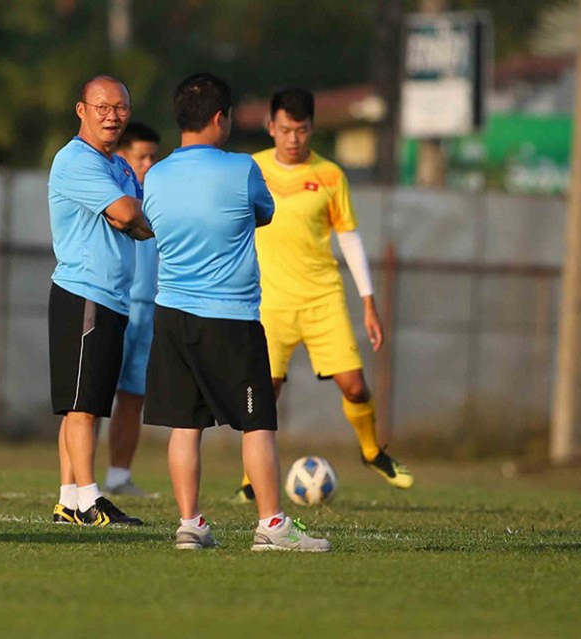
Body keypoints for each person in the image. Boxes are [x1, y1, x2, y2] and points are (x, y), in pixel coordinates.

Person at [143, 72, 330, 552]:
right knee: (257, 423)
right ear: (220, 119)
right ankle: (272, 526)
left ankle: (190, 524)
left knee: (186, 427)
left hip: (171, 316)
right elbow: (263, 212)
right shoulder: (242, 169)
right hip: (230, 317)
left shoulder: (156, 174)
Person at [235, 87, 413, 502]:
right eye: (285, 129)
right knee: (265, 393)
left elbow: (348, 237)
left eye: (301, 130)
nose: (293, 138)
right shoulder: (250, 169)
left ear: (312, 128)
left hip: (322, 298)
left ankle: (372, 451)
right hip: (269, 301)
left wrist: (369, 301)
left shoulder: (331, 174)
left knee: (354, 386)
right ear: (270, 128)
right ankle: (250, 477)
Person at [48, 75, 153, 527]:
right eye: (102, 107)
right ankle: (89, 499)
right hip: (84, 293)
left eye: (121, 107)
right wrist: (126, 216)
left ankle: (69, 500)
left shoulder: (121, 168)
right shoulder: (76, 160)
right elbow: (132, 214)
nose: (113, 116)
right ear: (81, 110)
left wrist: (128, 217)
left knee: (85, 403)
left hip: (112, 297)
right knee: (84, 406)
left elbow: (143, 222)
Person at [105, 122, 161, 496]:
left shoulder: (160, 197)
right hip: (115, 303)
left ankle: (118, 476)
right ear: (122, 156)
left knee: (133, 395)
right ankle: (78, 480)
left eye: (153, 157)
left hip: (151, 309)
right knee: (92, 396)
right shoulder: (112, 196)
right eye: (141, 156)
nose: (147, 163)